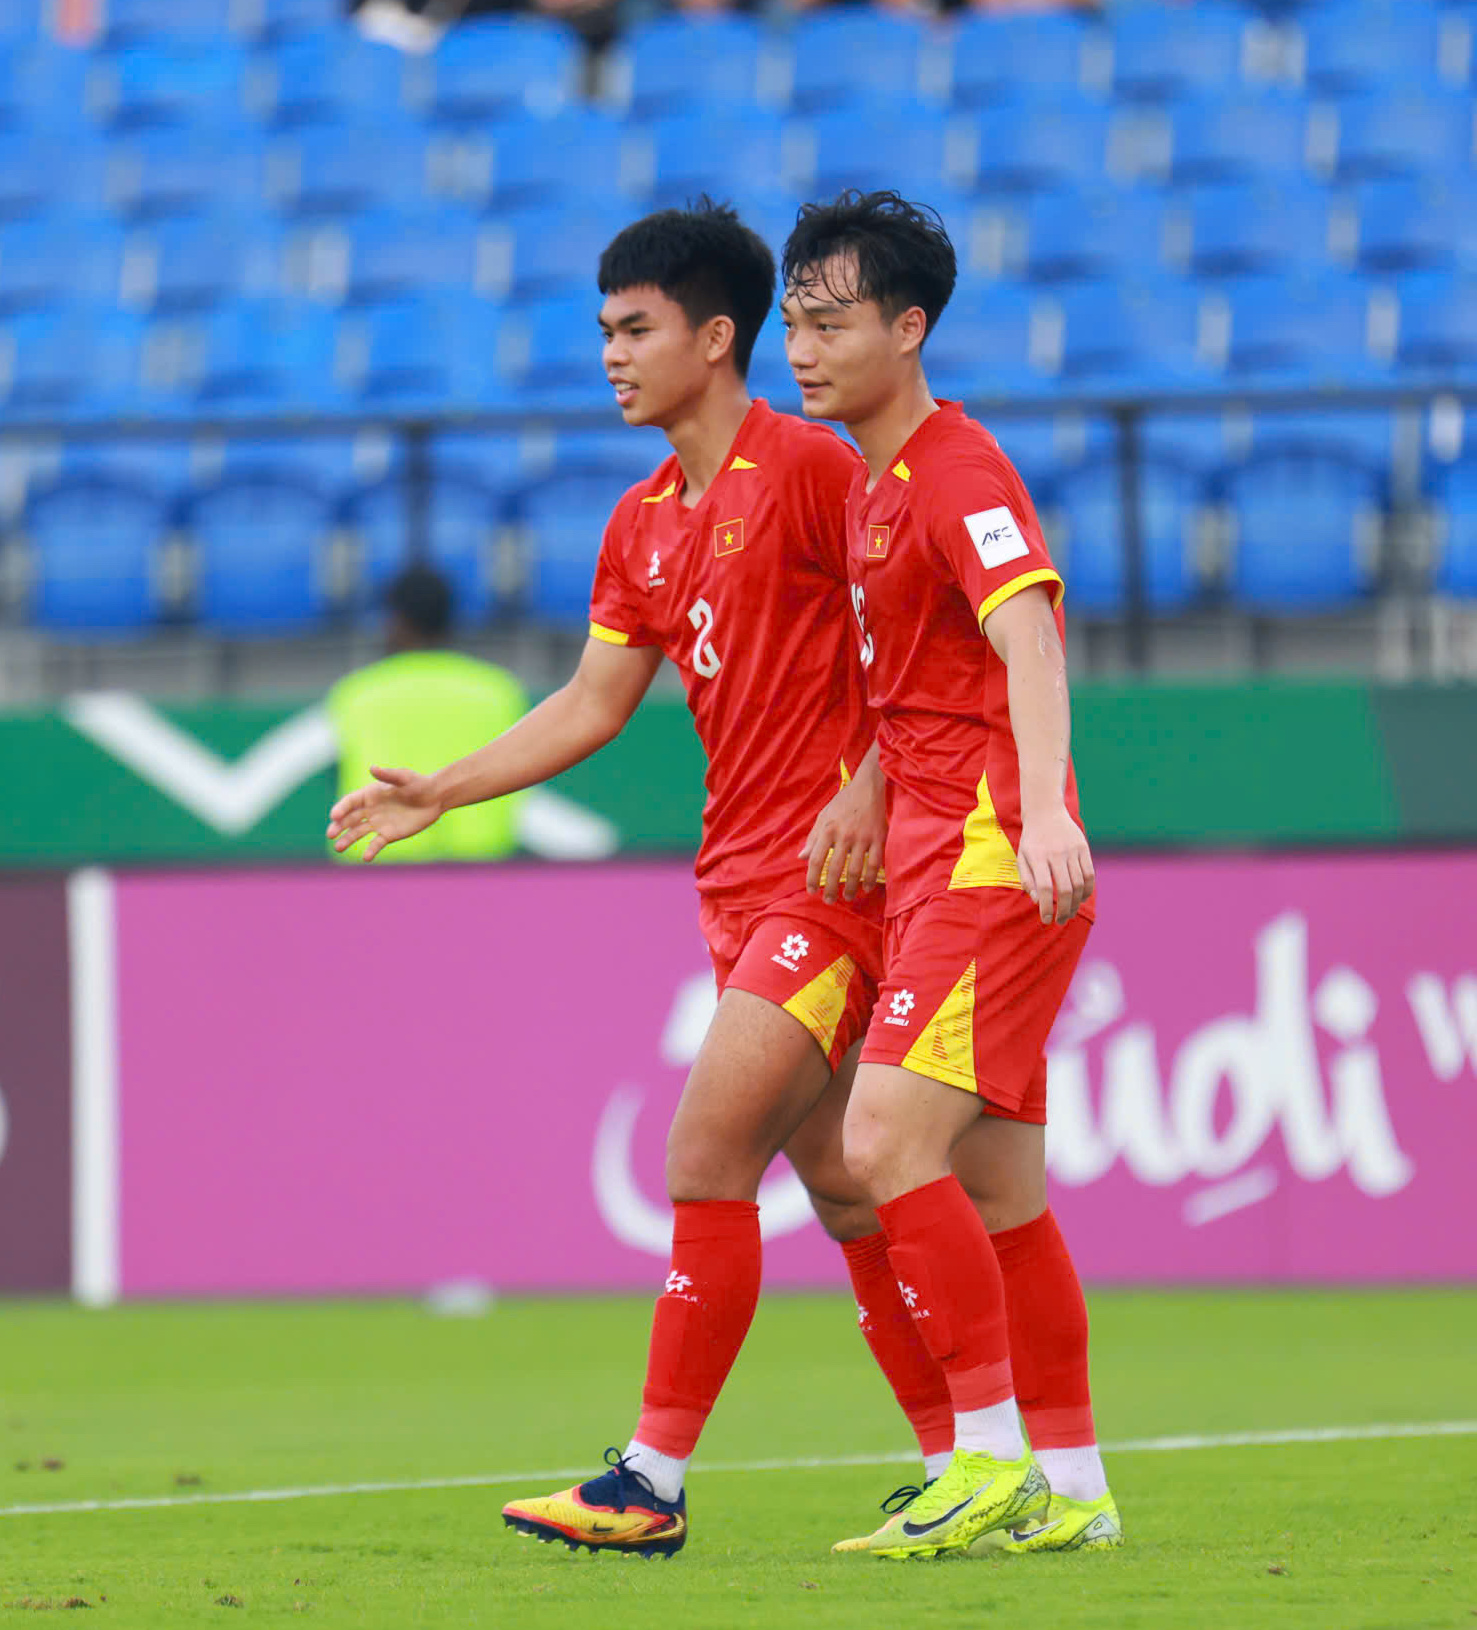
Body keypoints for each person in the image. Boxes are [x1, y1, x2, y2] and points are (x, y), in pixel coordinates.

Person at [328, 201, 897, 1557]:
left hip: (828, 881)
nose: (611, 355)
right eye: (603, 331)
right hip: (735, 884)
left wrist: (870, 789)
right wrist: (441, 788)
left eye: (636, 329)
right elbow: (592, 701)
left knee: (702, 1152)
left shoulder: (809, 472)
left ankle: (649, 1481)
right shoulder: (639, 521)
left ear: (716, 338)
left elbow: (920, 636)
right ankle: (972, 1459)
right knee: (843, 1182)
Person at [780, 189, 1120, 1557]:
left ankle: (982, 1454)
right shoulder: (876, 481)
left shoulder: (957, 470)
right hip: (930, 849)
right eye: (793, 323)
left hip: (987, 857)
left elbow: (1027, 630)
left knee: (876, 1143)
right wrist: (867, 783)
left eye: (831, 323)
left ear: (908, 328)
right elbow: (930, 677)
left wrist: (1039, 810)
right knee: (1001, 1195)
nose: (802, 350)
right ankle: (1075, 1485)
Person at [325, 564, 528, 864]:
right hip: (482, 862)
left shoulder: (356, 693)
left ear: (395, 619)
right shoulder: (499, 691)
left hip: (378, 860)